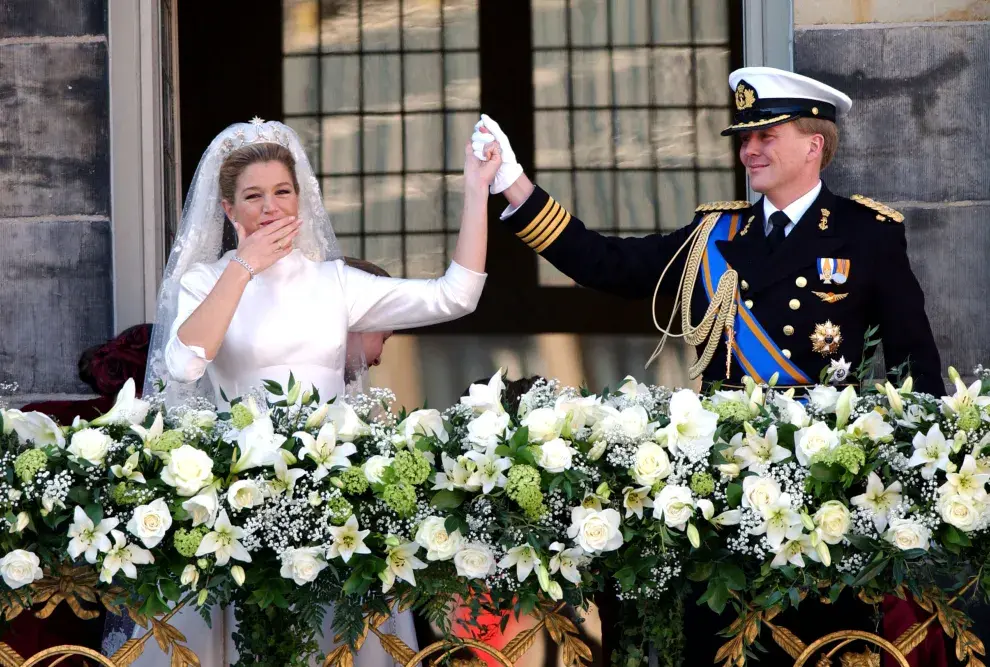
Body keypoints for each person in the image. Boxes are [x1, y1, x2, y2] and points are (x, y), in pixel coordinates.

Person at [472, 67, 945, 665]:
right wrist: (515, 186)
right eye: (744, 138)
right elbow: (607, 263)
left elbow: (915, 367)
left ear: (814, 144)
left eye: (765, 136)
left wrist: (909, 483)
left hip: (827, 498)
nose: (748, 150)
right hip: (723, 493)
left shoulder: (867, 234)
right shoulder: (714, 235)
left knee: (823, 645)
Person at [132, 118, 502, 666]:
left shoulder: (336, 283)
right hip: (239, 503)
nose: (270, 207)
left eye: (282, 192)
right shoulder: (204, 282)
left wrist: (476, 188)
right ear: (230, 211)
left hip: (333, 501)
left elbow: (457, 295)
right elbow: (185, 363)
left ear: (300, 200)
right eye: (253, 197)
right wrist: (244, 267)